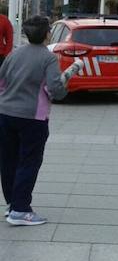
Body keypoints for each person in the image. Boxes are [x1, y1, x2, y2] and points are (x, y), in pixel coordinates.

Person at [0, 16, 81, 225]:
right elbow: (56, 89)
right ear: (47, 34)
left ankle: (12, 204)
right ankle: (20, 210)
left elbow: (2, 83)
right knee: (29, 161)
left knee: (8, 161)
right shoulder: (48, 58)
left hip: (5, 114)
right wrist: (67, 80)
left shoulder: (13, 54)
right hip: (33, 118)